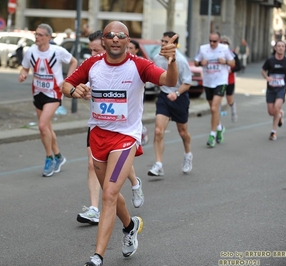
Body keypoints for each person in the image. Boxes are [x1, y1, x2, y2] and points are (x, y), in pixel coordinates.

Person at [63, 21, 178, 266]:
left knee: (110, 194)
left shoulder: (139, 65)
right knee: (110, 194)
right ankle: (130, 226)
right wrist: (75, 91)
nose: (115, 39)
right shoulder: (92, 64)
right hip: (98, 136)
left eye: (121, 35)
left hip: (125, 138)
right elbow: (66, 85)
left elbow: (168, 80)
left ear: (128, 41)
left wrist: (172, 61)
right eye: (110, 35)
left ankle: (98, 256)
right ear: (103, 41)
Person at [77, 30, 145, 226]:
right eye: (90, 50)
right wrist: (79, 90)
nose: (93, 55)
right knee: (92, 164)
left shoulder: (127, 65)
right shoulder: (93, 65)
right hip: (99, 124)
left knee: (120, 161)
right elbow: (74, 84)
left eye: (96, 50)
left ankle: (135, 183)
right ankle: (94, 209)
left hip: (123, 129)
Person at [18, 23, 78, 176]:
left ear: (48, 37)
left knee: (42, 126)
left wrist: (68, 80)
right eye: (36, 34)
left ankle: (49, 158)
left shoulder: (57, 51)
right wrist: (23, 74)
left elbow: (73, 61)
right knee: (47, 129)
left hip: (54, 93)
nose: (36, 37)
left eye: (40, 35)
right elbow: (25, 67)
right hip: (38, 92)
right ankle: (59, 156)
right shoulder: (30, 51)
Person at [148, 31, 193, 176]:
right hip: (164, 97)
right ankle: (159, 164)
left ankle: (188, 155)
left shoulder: (181, 60)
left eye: (166, 41)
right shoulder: (157, 58)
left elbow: (187, 82)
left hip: (180, 97)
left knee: (182, 132)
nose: (162, 44)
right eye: (162, 41)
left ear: (173, 44)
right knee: (158, 131)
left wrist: (177, 93)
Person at [194, 32, 235, 147]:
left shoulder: (225, 48)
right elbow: (195, 62)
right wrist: (201, 63)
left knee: (214, 108)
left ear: (219, 40)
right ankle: (219, 127)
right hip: (208, 82)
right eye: (210, 41)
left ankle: (212, 134)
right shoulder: (203, 49)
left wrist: (225, 62)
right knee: (214, 109)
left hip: (221, 81)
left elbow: (233, 62)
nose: (212, 43)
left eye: (214, 41)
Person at [261, 40, 286, 141]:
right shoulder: (270, 60)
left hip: (281, 89)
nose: (280, 48)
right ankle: (280, 114)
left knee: (276, 108)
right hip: (271, 89)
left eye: (282, 46)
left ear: (285, 48)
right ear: (275, 48)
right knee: (271, 112)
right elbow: (263, 70)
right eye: (278, 46)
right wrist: (266, 77)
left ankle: (273, 132)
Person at [220, 36, 241, 122]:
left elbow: (239, 67)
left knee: (229, 100)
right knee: (218, 99)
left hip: (230, 80)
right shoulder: (217, 54)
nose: (224, 45)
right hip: (219, 81)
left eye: (226, 43)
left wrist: (231, 70)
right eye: (222, 43)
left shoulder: (233, 54)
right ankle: (218, 117)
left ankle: (233, 110)